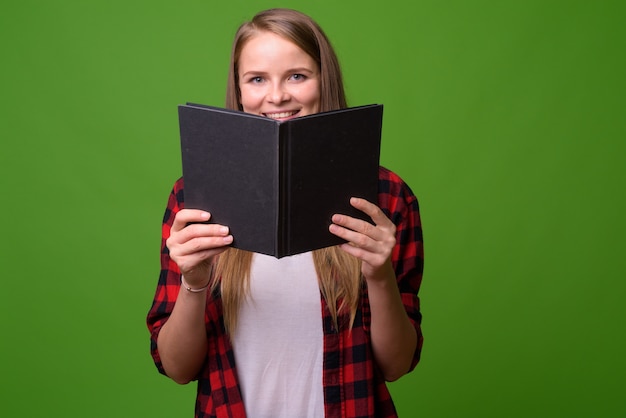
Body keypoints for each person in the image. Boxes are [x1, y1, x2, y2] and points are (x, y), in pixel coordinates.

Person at [147, 8, 424, 418]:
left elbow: (396, 365)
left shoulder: (386, 195)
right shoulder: (194, 198)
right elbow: (177, 368)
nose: (276, 96)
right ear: (239, 91)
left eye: (297, 75)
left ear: (323, 81)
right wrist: (194, 281)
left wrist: (379, 275)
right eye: (257, 79)